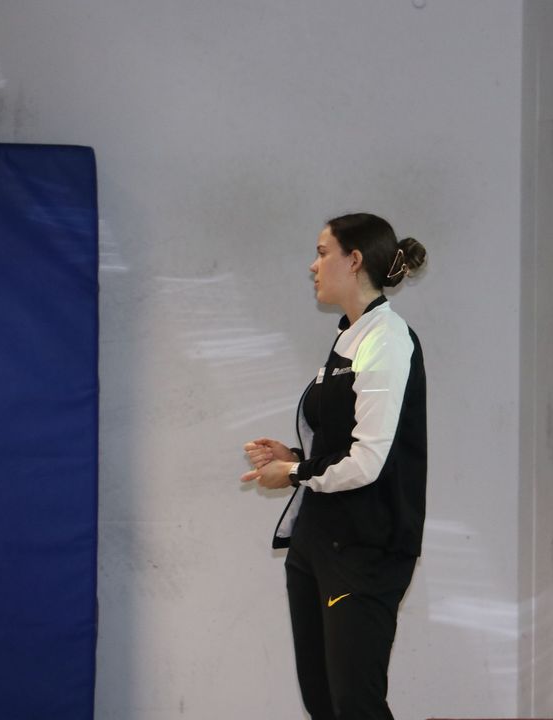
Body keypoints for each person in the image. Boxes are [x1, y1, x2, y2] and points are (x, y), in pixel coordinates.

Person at [240, 212, 427, 720]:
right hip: (316, 544)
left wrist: (293, 474)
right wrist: (296, 458)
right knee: (322, 703)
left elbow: (368, 462)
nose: (313, 265)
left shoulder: (387, 339)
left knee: (356, 706)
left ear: (355, 260)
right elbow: (345, 443)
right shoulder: (350, 335)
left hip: (365, 551)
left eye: (323, 253)